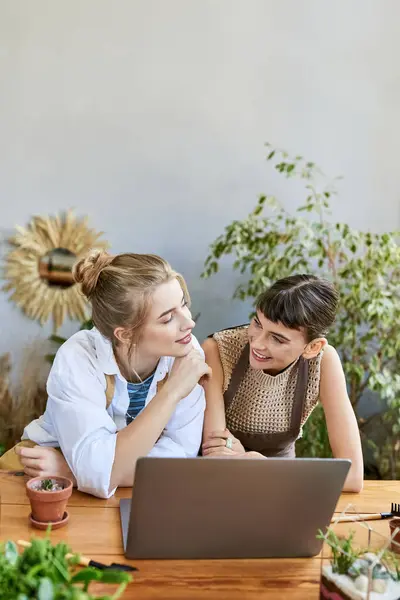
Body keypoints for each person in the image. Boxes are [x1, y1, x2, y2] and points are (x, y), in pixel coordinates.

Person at [10, 251, 210, 498]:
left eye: (183, 305)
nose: (188, 322)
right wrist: (172, 392)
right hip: (41, 477)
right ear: (125, 334)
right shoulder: (79, 357)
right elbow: (99, 471)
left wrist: (75, 473)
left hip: (71, 474)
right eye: (168, 318)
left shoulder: (186, 354)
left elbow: (180, 457)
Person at [201, 274, 364, 492]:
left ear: (312, 347)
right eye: (257, 324)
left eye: (277, 339)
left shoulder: (323, 361)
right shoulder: (218, 350)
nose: (257, 343)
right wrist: (259, 464)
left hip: (283, 489)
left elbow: (353, 477)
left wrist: (259, 464)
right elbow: (216, 455)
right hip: (224, 485)